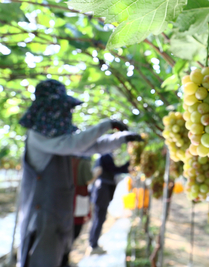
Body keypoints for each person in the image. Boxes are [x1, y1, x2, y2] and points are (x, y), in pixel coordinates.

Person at [18, 79, 142, 267]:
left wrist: (121, 138)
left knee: (59, 257)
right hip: (42, 216)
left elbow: (92, 146)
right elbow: (73, 144)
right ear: (50, 110)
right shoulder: (38, 136)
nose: (67, 114)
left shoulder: (55, 137)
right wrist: (106, 124)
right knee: (42, 260)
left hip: (58, 212)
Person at [88, 153, 130, 254]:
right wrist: (129, 164)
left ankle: (93, 243)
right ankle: (93, 245)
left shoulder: (104, 156)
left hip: (101, 191)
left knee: (98, 218)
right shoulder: (105, 156)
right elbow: (114, 170)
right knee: (99, 218)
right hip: (102, 191)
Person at [60, 156, 95, 267]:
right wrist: (97, 173)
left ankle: (62, 259)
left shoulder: (63, 158)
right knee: (74, 231)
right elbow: (88, 179)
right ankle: (63, 260)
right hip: (77, 200)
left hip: (63, 201)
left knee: (63, 233)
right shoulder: (83, 160)